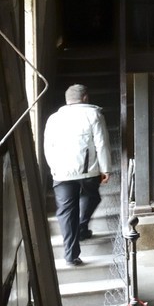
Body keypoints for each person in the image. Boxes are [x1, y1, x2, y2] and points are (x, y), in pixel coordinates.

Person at [44, 84, 111, 267]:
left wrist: (54, 169)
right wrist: (106, 169)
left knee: (66, 213)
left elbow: (47, 147)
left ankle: (71, 255)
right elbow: (102, 144)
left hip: (61, 173)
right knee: (92, 196)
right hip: (87, 171)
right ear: (85, 98)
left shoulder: (53, 119)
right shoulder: (94, 115)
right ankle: (81, 226)